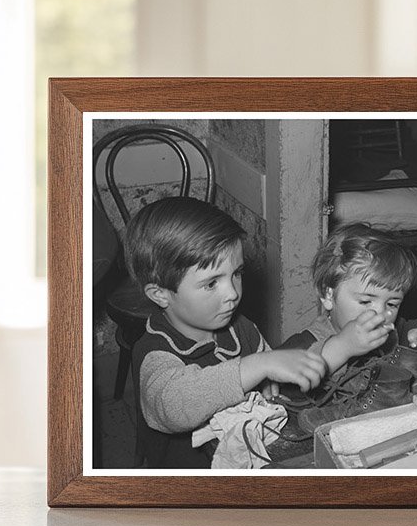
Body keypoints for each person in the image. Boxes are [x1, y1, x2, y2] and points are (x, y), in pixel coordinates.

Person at [125, 197, 325, 468]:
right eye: (211, 284)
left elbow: (264, 374)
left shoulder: (241, 328)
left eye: (237, 273)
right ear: (160, 294)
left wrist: (266, 380)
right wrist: (259, 365)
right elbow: (174, 406)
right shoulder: (155, 353)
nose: (232, 293)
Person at [279, 223, 417, 433]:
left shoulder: (394, 333)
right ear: (328, 294)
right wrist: (342, 348)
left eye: (392, 304)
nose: (380, 314)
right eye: (366, 302)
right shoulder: (302, 344)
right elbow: (280, 391)